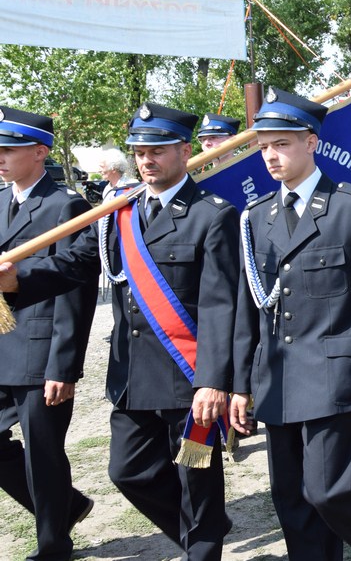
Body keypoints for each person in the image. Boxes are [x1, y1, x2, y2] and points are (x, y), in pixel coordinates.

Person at [231, 88, 351, 561]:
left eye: (282, 143)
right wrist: (240, 384)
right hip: (277, 376)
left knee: (328, 490)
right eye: (264, 145)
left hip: (334, 374)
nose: (270, 155)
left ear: (311, 143)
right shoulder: (256, 217)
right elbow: (249, 308)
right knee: (291, 497)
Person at [102, 103, 239, 561]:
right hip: (133, 375)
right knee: (128, 471)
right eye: (140, 152)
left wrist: (213, 380)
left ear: (184, 151)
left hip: (187, 376)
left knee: (196, 480)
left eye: (157, 150)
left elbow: (221, 307)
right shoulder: (120, 213)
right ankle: (203, 530)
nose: (146, 161)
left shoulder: (212, 215)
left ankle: (203, 546)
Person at [0, 107, 99, 561]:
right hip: (1, 348)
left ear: (39, 153)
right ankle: (69, 505)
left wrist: (63, 365)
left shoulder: (65, 206)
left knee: (43, 453)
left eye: (9, 149)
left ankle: (53, 545)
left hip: (39, 354)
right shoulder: (1, 200)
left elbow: (74, 290)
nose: (0, 157)